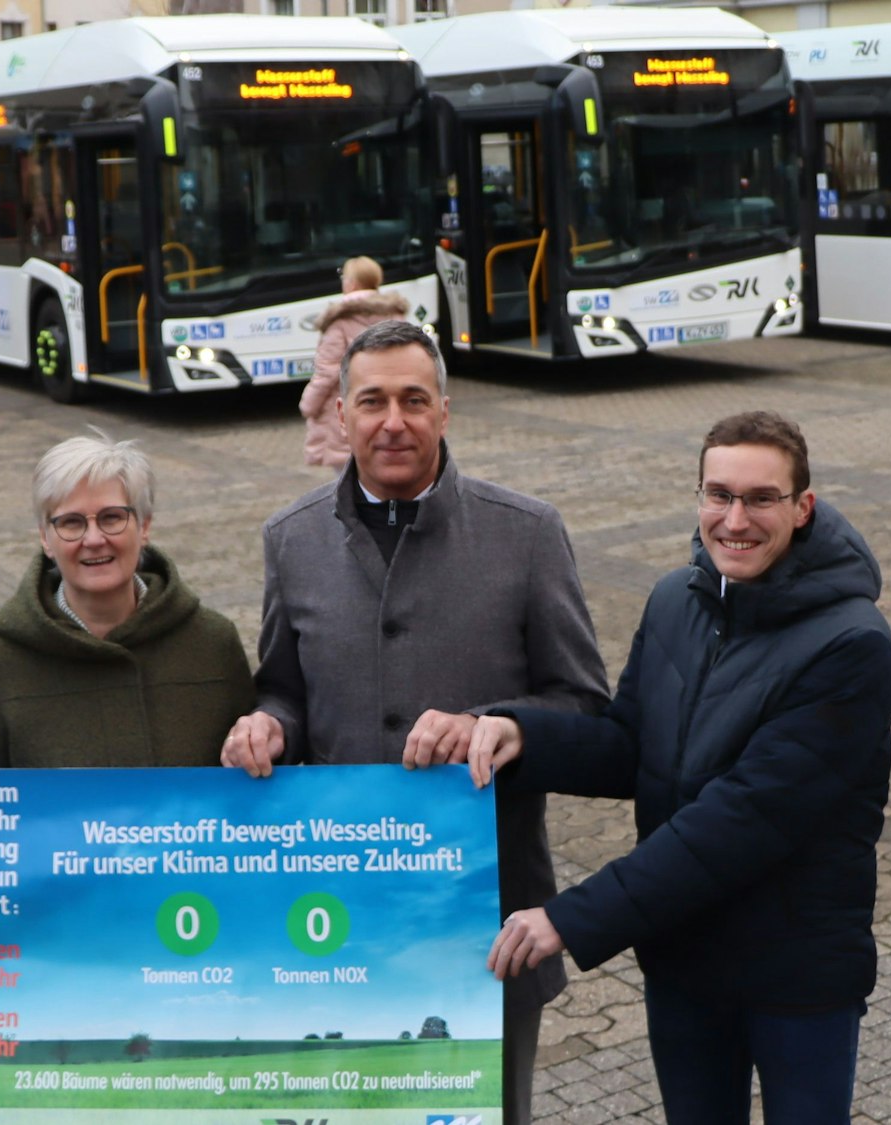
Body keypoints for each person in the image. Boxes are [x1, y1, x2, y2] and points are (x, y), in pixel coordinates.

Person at [223, 319, 609, 1125]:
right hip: (340, 914)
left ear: (444, 409)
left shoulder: (526, 533)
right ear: (339, 413)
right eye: (371, 401)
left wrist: (492, 725)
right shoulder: (291, 539)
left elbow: (584, 710)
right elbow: (282, 688)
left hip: (484, 910)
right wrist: (265, 724)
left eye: (412, 399)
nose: (392, 420)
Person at [467, 411, 891, 1124]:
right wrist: (519, 735)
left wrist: (573, 917)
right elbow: (633, 745)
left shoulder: (852, 644)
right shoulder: (677, 599)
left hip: (797, 973)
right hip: (686, 962)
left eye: (761, 498)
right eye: (718, 494)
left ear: (803, 507)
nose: (735, 519)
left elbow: (744, 816)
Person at [0, 431, 254, 766]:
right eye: (71, 522)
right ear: (45, 538)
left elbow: (250, 791)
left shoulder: (213, 643)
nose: (94, 539)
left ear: (144, 527)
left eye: (112, 517)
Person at [299, 256, 408, 469]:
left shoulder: (339, 321)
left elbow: (327, 372)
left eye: (345, 277)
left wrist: (309, 404)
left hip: (350, 411)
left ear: (353, 283)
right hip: (389, 407)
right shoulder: (397, 317)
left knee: (348, 482)